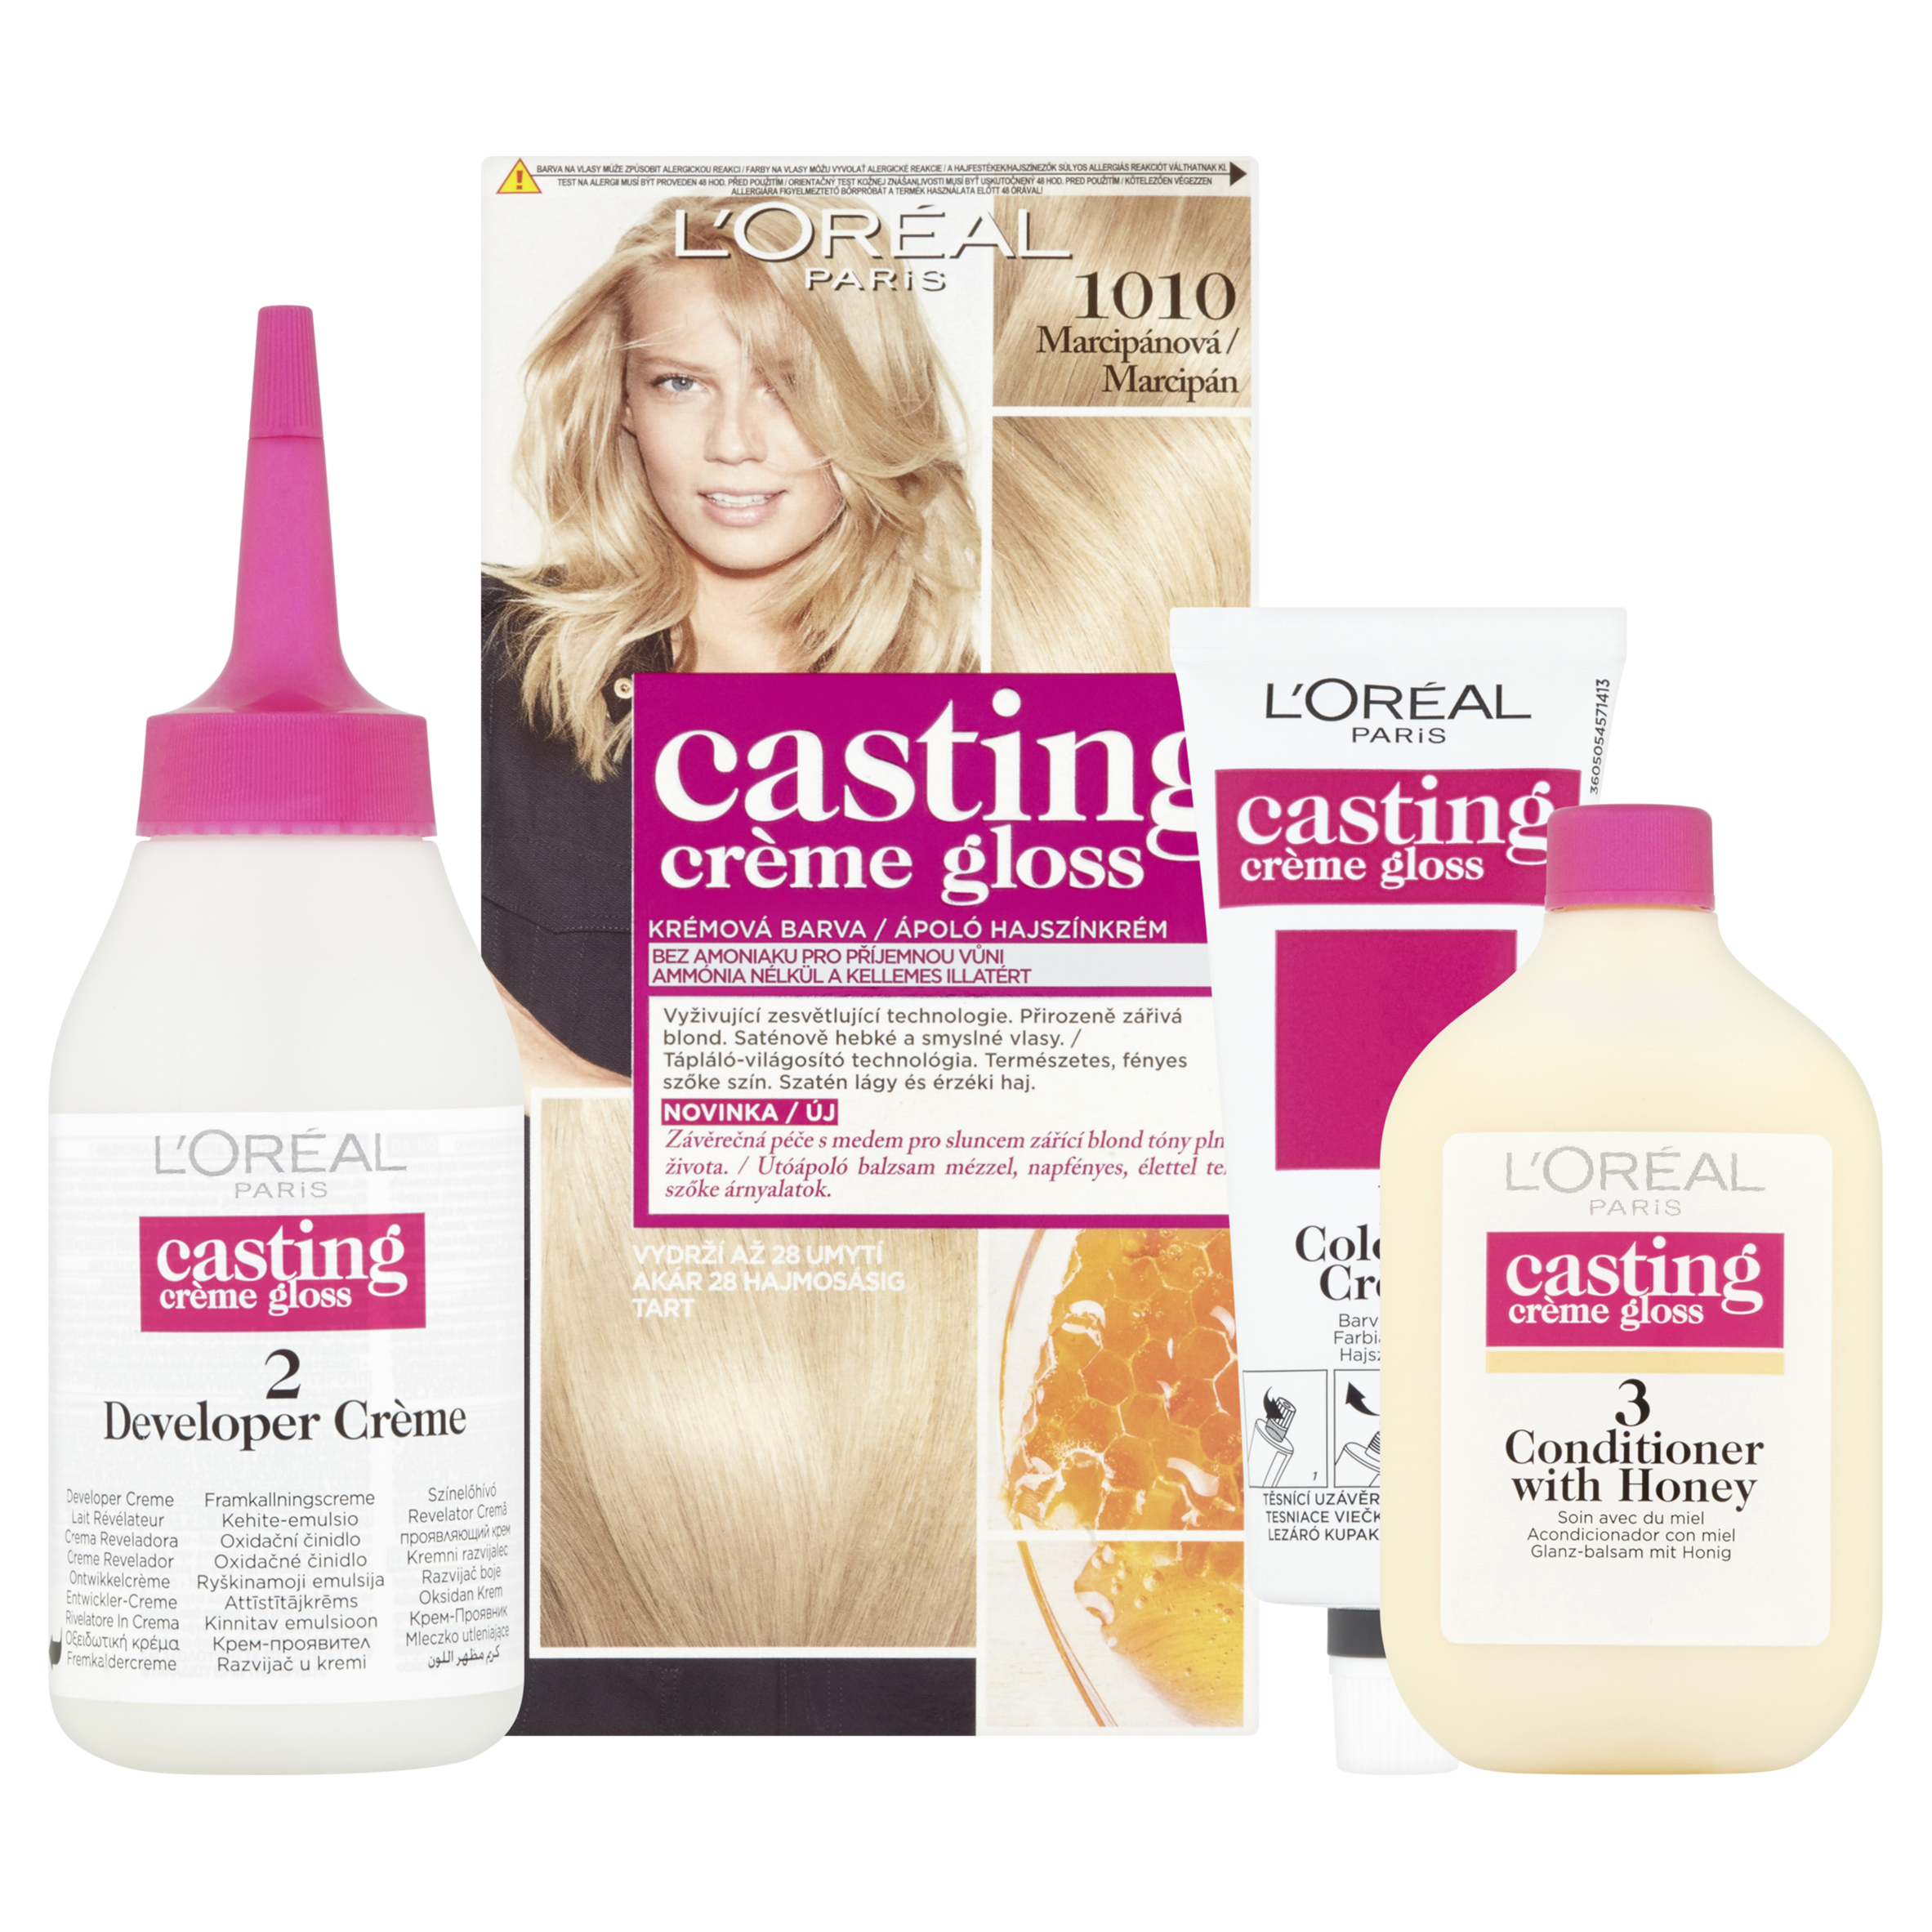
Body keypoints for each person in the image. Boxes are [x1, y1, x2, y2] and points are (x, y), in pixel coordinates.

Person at [483, 195, 980, 1091]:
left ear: (870, 399)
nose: (734, 444)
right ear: (623, 403)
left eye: (789, 384)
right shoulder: (483, 660)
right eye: (681, 383)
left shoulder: (994, 748)